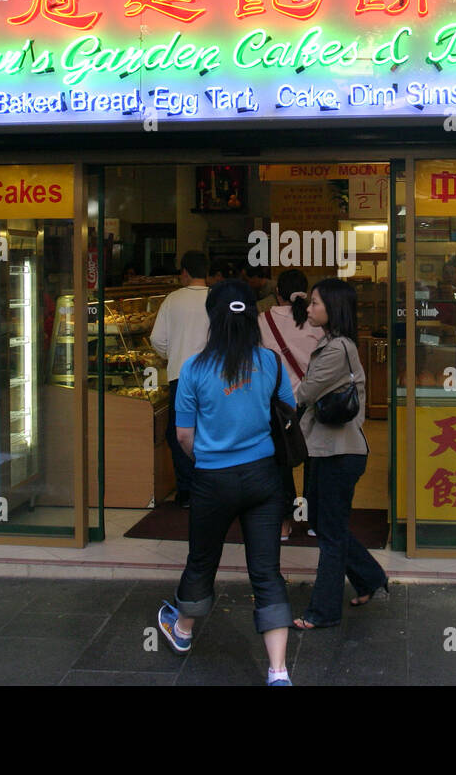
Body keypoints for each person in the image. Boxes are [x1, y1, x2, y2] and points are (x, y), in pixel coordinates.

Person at [156, 280, 296, 686]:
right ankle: (278, 672)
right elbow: (288, 410)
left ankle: (181, 631)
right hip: (263, 478)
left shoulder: (194, 369)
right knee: (267, 572)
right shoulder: (269, 361)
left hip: (212, 480)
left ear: (212, 318)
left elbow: (184, 436)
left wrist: (208, 457)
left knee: (202, 560)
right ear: (252, 316)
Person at [291, 278, 388, 630]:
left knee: (329, 533)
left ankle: (324, 611)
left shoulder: (336, 350)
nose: (310, 308)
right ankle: (369, 577)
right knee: (321, 522)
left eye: (316, 303)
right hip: (326, 450)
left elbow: (304, 393)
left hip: (339, 453)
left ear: (333, 309)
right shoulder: (333, 343)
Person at [258, 269, 324, 541]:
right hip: (311, 399)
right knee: (314, 461)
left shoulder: (264, 320)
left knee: (281, 463)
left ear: (277, 293)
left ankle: (284, 523)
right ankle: (313, 521)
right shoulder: (316, 323)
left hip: (278, 403)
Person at [150, 250, 211, 508]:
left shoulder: (172, 300)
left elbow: (156, 340)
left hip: (179, 377)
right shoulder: (216, 298)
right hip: (212, 379)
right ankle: (210, 485)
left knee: (179, 433)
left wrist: (172, 354)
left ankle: (186, 490)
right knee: (210, 432)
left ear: (184, 272)